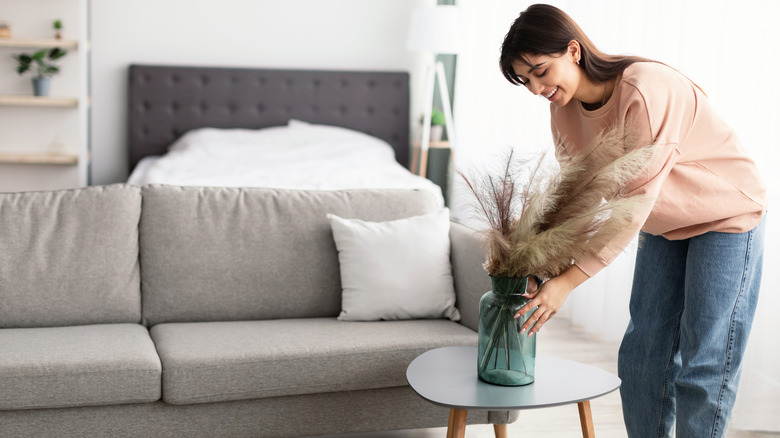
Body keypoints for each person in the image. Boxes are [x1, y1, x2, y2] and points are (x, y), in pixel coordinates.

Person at [500, 4, 767, 437]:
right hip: (664, 223)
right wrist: (544, 266)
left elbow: (634, 202)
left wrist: (566, 284)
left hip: (725, 215)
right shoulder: (562, 110)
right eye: (525, 80)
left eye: (540, 71)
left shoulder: (645, 89)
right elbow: (577, 199)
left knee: (705, 361)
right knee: (642, 356)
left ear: (572, 50)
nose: (536, 88)